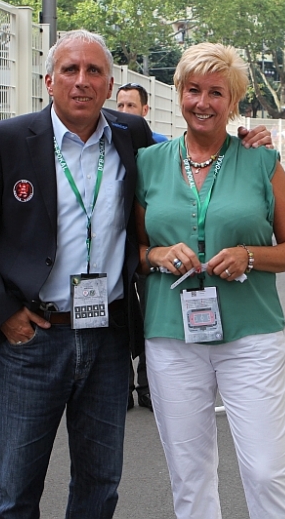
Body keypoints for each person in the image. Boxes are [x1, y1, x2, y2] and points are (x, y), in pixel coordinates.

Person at [0, 30, 270, 518]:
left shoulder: (130, 135)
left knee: (99, 486)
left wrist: (246, 140)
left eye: (94, 71)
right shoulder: (5, 141)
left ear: (109, 84)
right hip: (34, 338)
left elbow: (193, 151)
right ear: (49, 81)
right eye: (70, 70)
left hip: (108, 339)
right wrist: (5, 313)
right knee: (16, 489)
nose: (82, 81)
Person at [135, 42, 285, 519]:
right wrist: (157, 254)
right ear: (179, 93)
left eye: (216, 92)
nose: (203, 102)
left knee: (267, 471)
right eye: (193, 90)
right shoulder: (149, 162)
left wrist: (250, 255)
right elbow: (133, 250)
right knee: (189, 475)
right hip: (171, 336)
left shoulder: (261, 161)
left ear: (233, 101)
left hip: (251, 336)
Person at [115, 81, 164, 411]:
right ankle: (123, 385)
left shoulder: (159, 147)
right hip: (116, 246)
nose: (124, 112)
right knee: (119, 316)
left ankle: (147, 385)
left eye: (130, 106)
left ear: (145, 110)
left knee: (149, 315)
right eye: (119, 105)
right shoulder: (104, 142)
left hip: (148, 246)